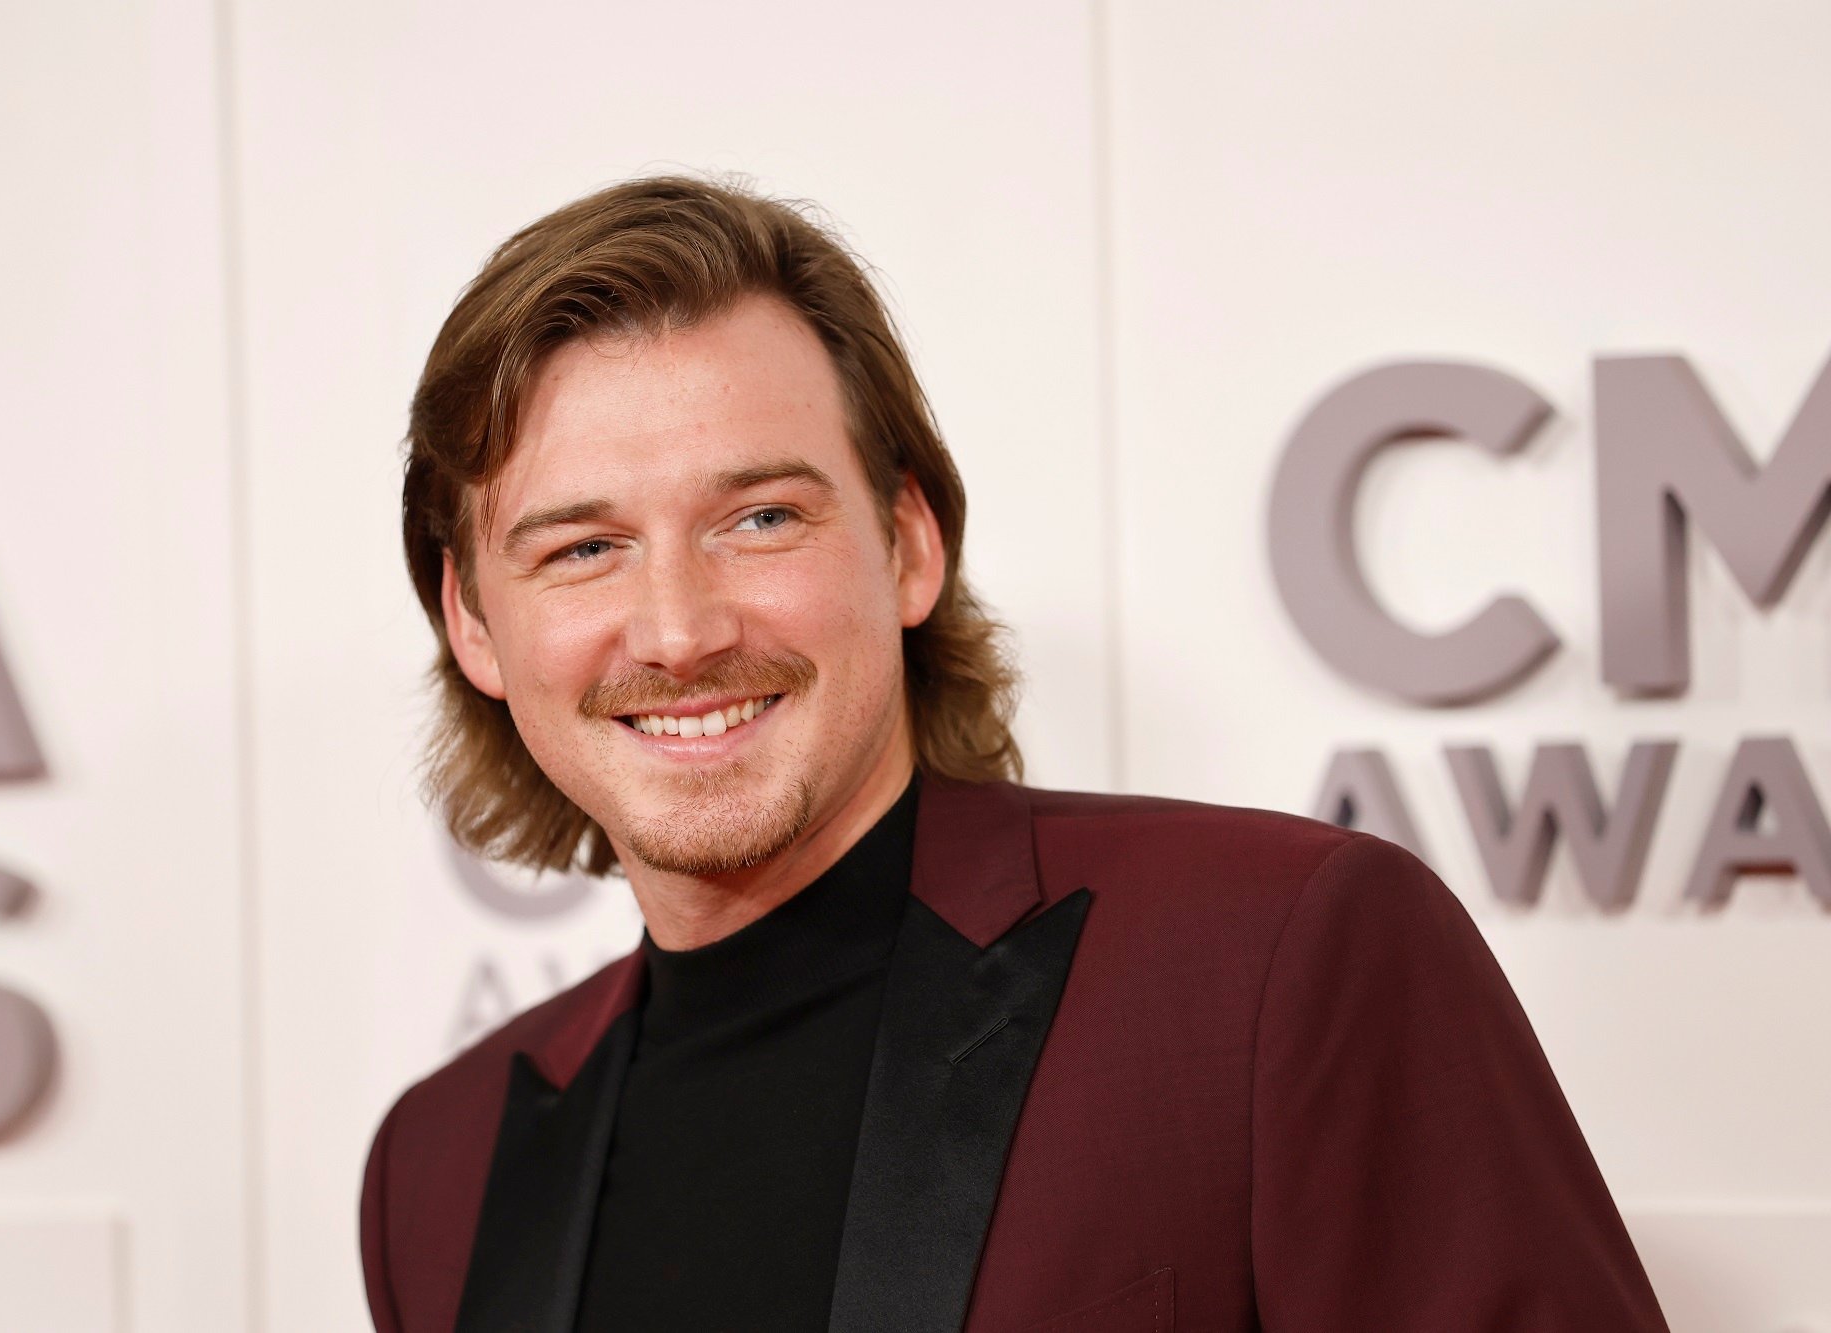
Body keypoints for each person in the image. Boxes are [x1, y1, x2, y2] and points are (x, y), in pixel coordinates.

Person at [360, 175, 1670, 1333]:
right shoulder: (441, 1167)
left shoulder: (1280, 963)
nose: (683, 628)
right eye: (582, 547)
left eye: (760, 516)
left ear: (911, 543)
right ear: (474, 619)